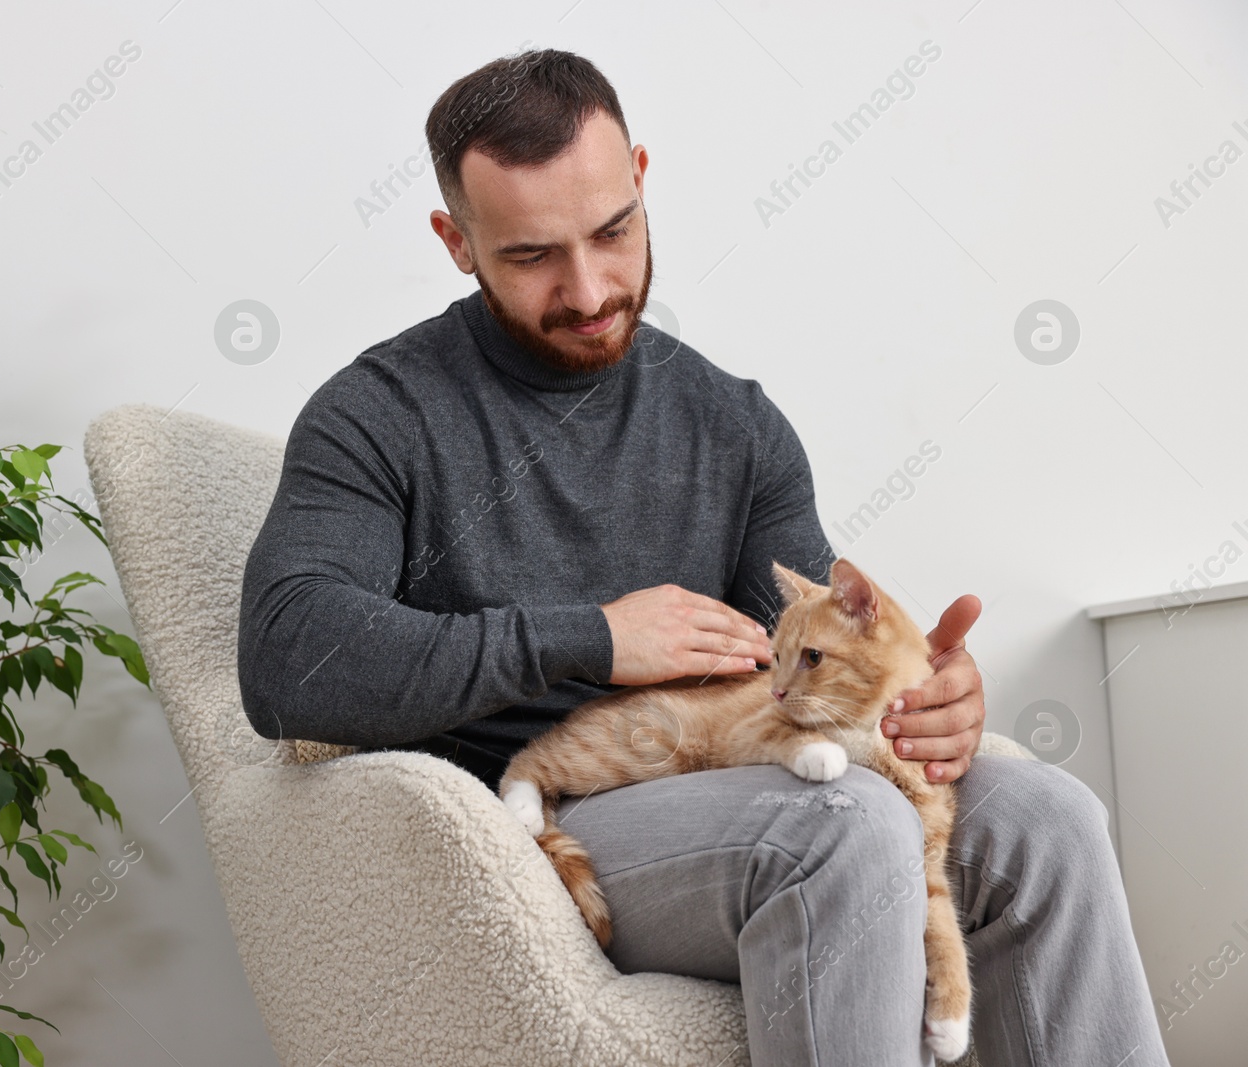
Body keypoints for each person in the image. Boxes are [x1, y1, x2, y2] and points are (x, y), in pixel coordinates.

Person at [236, 47, 1169, 1067]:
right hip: (543, 813)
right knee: (842, 823)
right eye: (531, 255)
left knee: (1049, 815)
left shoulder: (734, 424)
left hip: (723, 766)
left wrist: (924, 698)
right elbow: (288, 659)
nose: (589, 288)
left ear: (639, 174)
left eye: (613, 230)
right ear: (455, 240)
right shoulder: (376, 415)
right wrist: (589, 637)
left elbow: (812, 661)